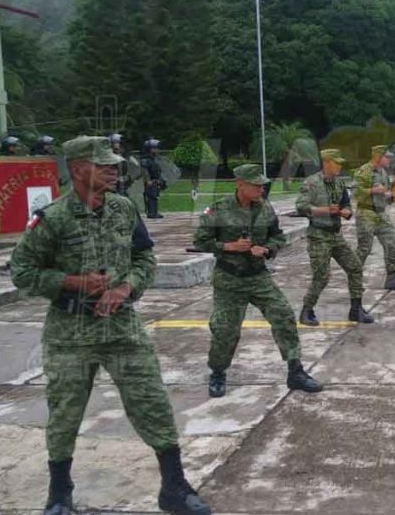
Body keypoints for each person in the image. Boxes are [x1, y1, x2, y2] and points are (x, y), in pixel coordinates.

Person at [8, 136, 211, 515]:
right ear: (77, 169)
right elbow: (20, 271)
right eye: (103, 165)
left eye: (114, 164)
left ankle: (174, 486)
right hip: (70, 332)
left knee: (152, 402)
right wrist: (72, 282)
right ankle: (59, 493)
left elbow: (145, 258)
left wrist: (124, 288)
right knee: (65, 412)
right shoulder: (52, 218)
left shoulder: (124, 208)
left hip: (122, 327)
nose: (113, 171)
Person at [194, 163, 321, 399]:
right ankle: (218, 372)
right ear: (240, 184)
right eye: (256, 185)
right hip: (229, 279)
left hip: (258, 276)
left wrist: (267, 249)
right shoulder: (219, 209)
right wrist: (228, 246)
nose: (261, 189)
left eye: (262, 186)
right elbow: (200, 241)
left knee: (284, 316)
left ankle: (295, 371)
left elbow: (278, 237)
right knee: (225, 329)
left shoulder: (265, 208)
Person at [295, 149, 374, 326]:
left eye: (339, 163)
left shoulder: (339, 183)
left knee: (355, 267)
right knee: (322, 276)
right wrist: (324, 210)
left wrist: (346, 212)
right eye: (336, 163)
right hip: (318, 236)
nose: (339, 166)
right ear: (326, 163)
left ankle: (356, 309)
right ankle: (307, 310)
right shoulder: (311, 183)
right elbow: (300, 206)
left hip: (336, 235)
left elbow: (346, 205)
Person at [354, 145, 395, 291]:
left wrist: (388, 194)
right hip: (366, 213)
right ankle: (355, 281)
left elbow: (385, 190)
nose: (390, 160)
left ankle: (391, 279)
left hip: (381, 213)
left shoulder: (383, 172)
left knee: (392, 244)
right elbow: (356, 193)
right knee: (364, 249)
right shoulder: (364, 171)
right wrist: (373, 190)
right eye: (387, 157)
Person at [141, 138, 165, 219]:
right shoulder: (145, 159)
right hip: (150, 181)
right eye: (154, 148)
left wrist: (160, 179)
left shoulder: (154, 159)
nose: (157, 150)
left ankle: (155, 211)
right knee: (151, 196)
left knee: (155, 196)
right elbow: (145, 171)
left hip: (155, 180)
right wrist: (148, 180)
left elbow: (158, 170)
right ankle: (151, 212)